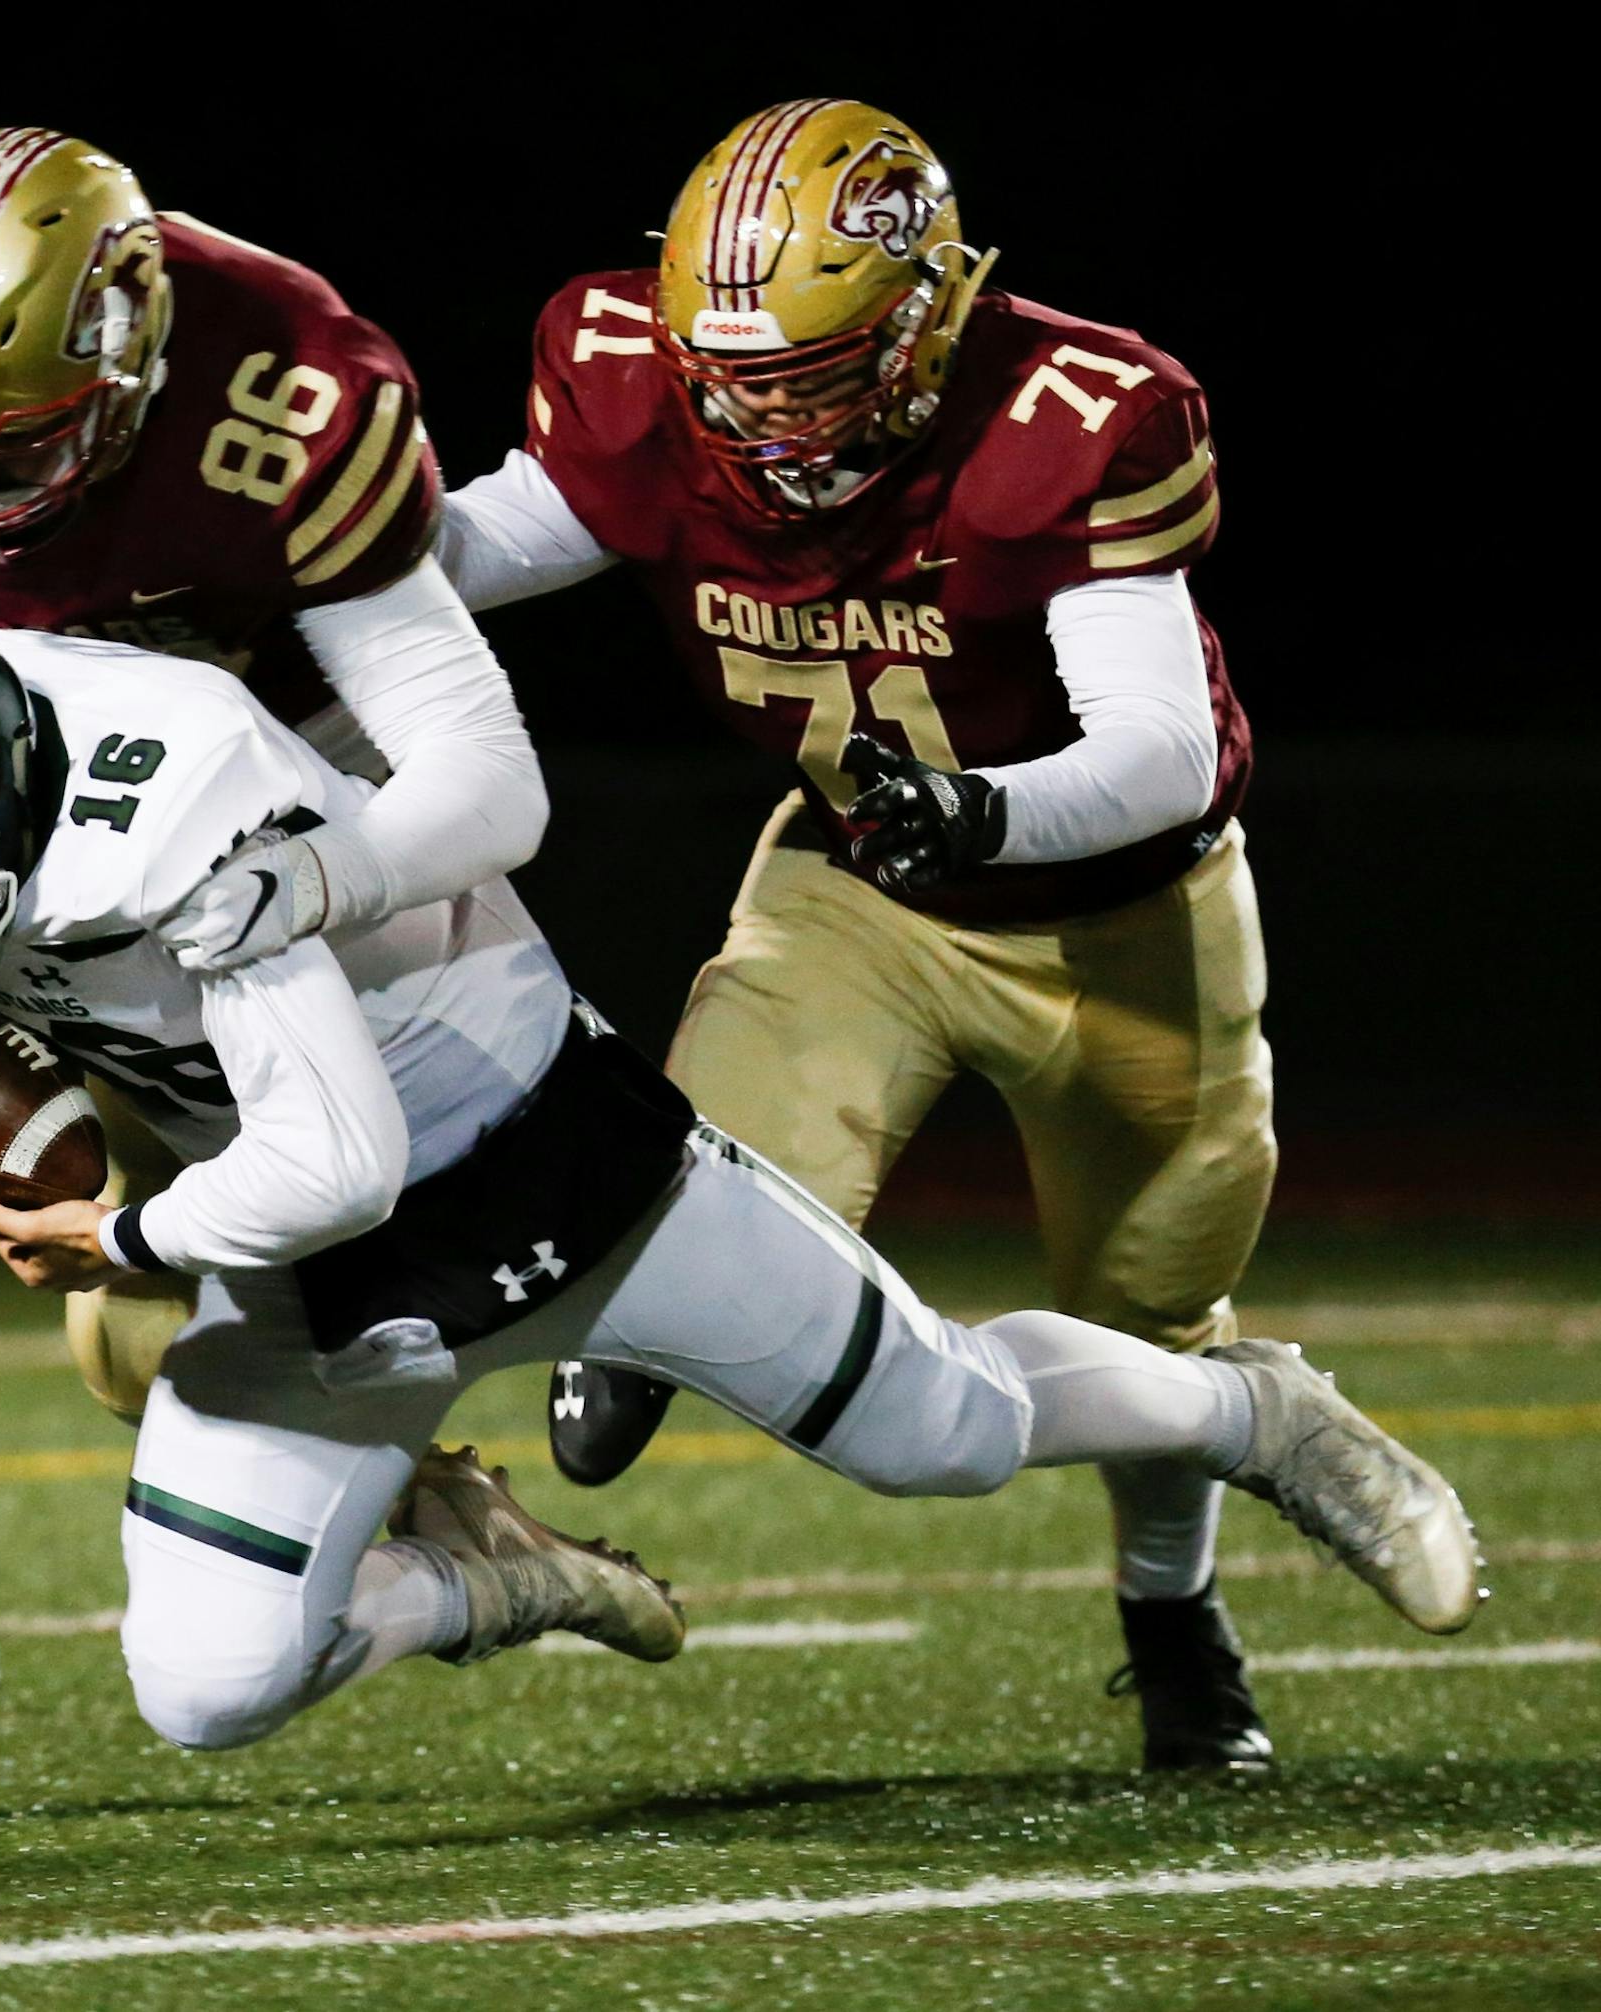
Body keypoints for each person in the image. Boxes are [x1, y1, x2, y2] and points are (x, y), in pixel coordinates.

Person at [0, 572, 1478, 1781]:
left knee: (952, 1433)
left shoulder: (174, 797)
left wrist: (132, 1228)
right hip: (314, 1272)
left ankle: (1249, 1413)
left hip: (531, 1147)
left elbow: (340, 1155)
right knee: (205, 1690)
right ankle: (498, 1575)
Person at [0, 128, 552, 1828]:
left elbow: (481, 777)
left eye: (15, 447)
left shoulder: (285, 404)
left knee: (155, 1327)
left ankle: (461, 1522)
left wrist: (293, 885)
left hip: (233, 849)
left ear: (136, 357)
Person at [435, 99, 1282, 1771]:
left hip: (1132, 920)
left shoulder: (1070, 415)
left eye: (809, 372)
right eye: (724, 371)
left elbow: (1162, 747)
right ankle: (640, 1330)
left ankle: (1173, 1617)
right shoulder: (638, 386)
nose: (757, 412)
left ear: (924, 323)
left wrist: (985, 811)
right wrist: (291, 579)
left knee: (1149, 1314)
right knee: (700, 1180)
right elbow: (486, 542)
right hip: (860, 885)